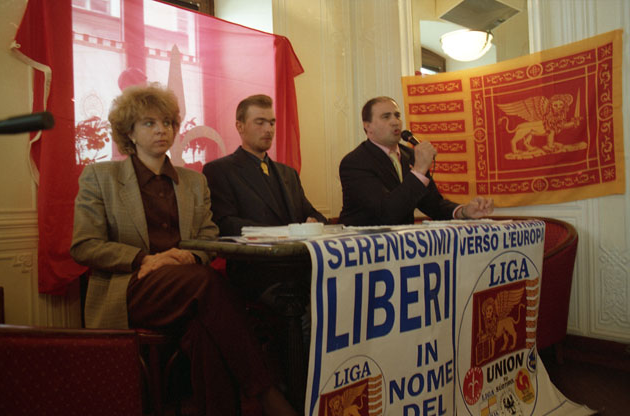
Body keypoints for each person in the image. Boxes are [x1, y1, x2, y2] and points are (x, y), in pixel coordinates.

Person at [70, 84, 298, 416]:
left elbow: (209, 234)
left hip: (189, 288)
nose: (161, 130)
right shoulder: (100, 177)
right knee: (206, 282)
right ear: (129, 132)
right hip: (131, 286)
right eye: (149, 123)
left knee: (205, 332)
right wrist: (145, 259)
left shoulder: (194, 181)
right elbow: (84, 245)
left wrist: (190, 256)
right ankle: (267, 394)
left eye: (167, 122)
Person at [339, 96, 494, 225]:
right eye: (386, 117)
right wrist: (419, 170)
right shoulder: (355, 162)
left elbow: (433, 204)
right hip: (363, 245)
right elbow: (386, 213)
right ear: (368, 126)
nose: (395, 122)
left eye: (397, 116)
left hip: (403, 242)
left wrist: (463, 211)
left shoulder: (410, 155)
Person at [203, 94, 326, 237]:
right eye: (260, 123)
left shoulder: (289, 173)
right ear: (240, 126)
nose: (268, 129)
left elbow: (312, 214)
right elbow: (224, 224)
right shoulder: (219, 171)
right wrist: (280, 233)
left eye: (272, 123)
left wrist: (314, 222)